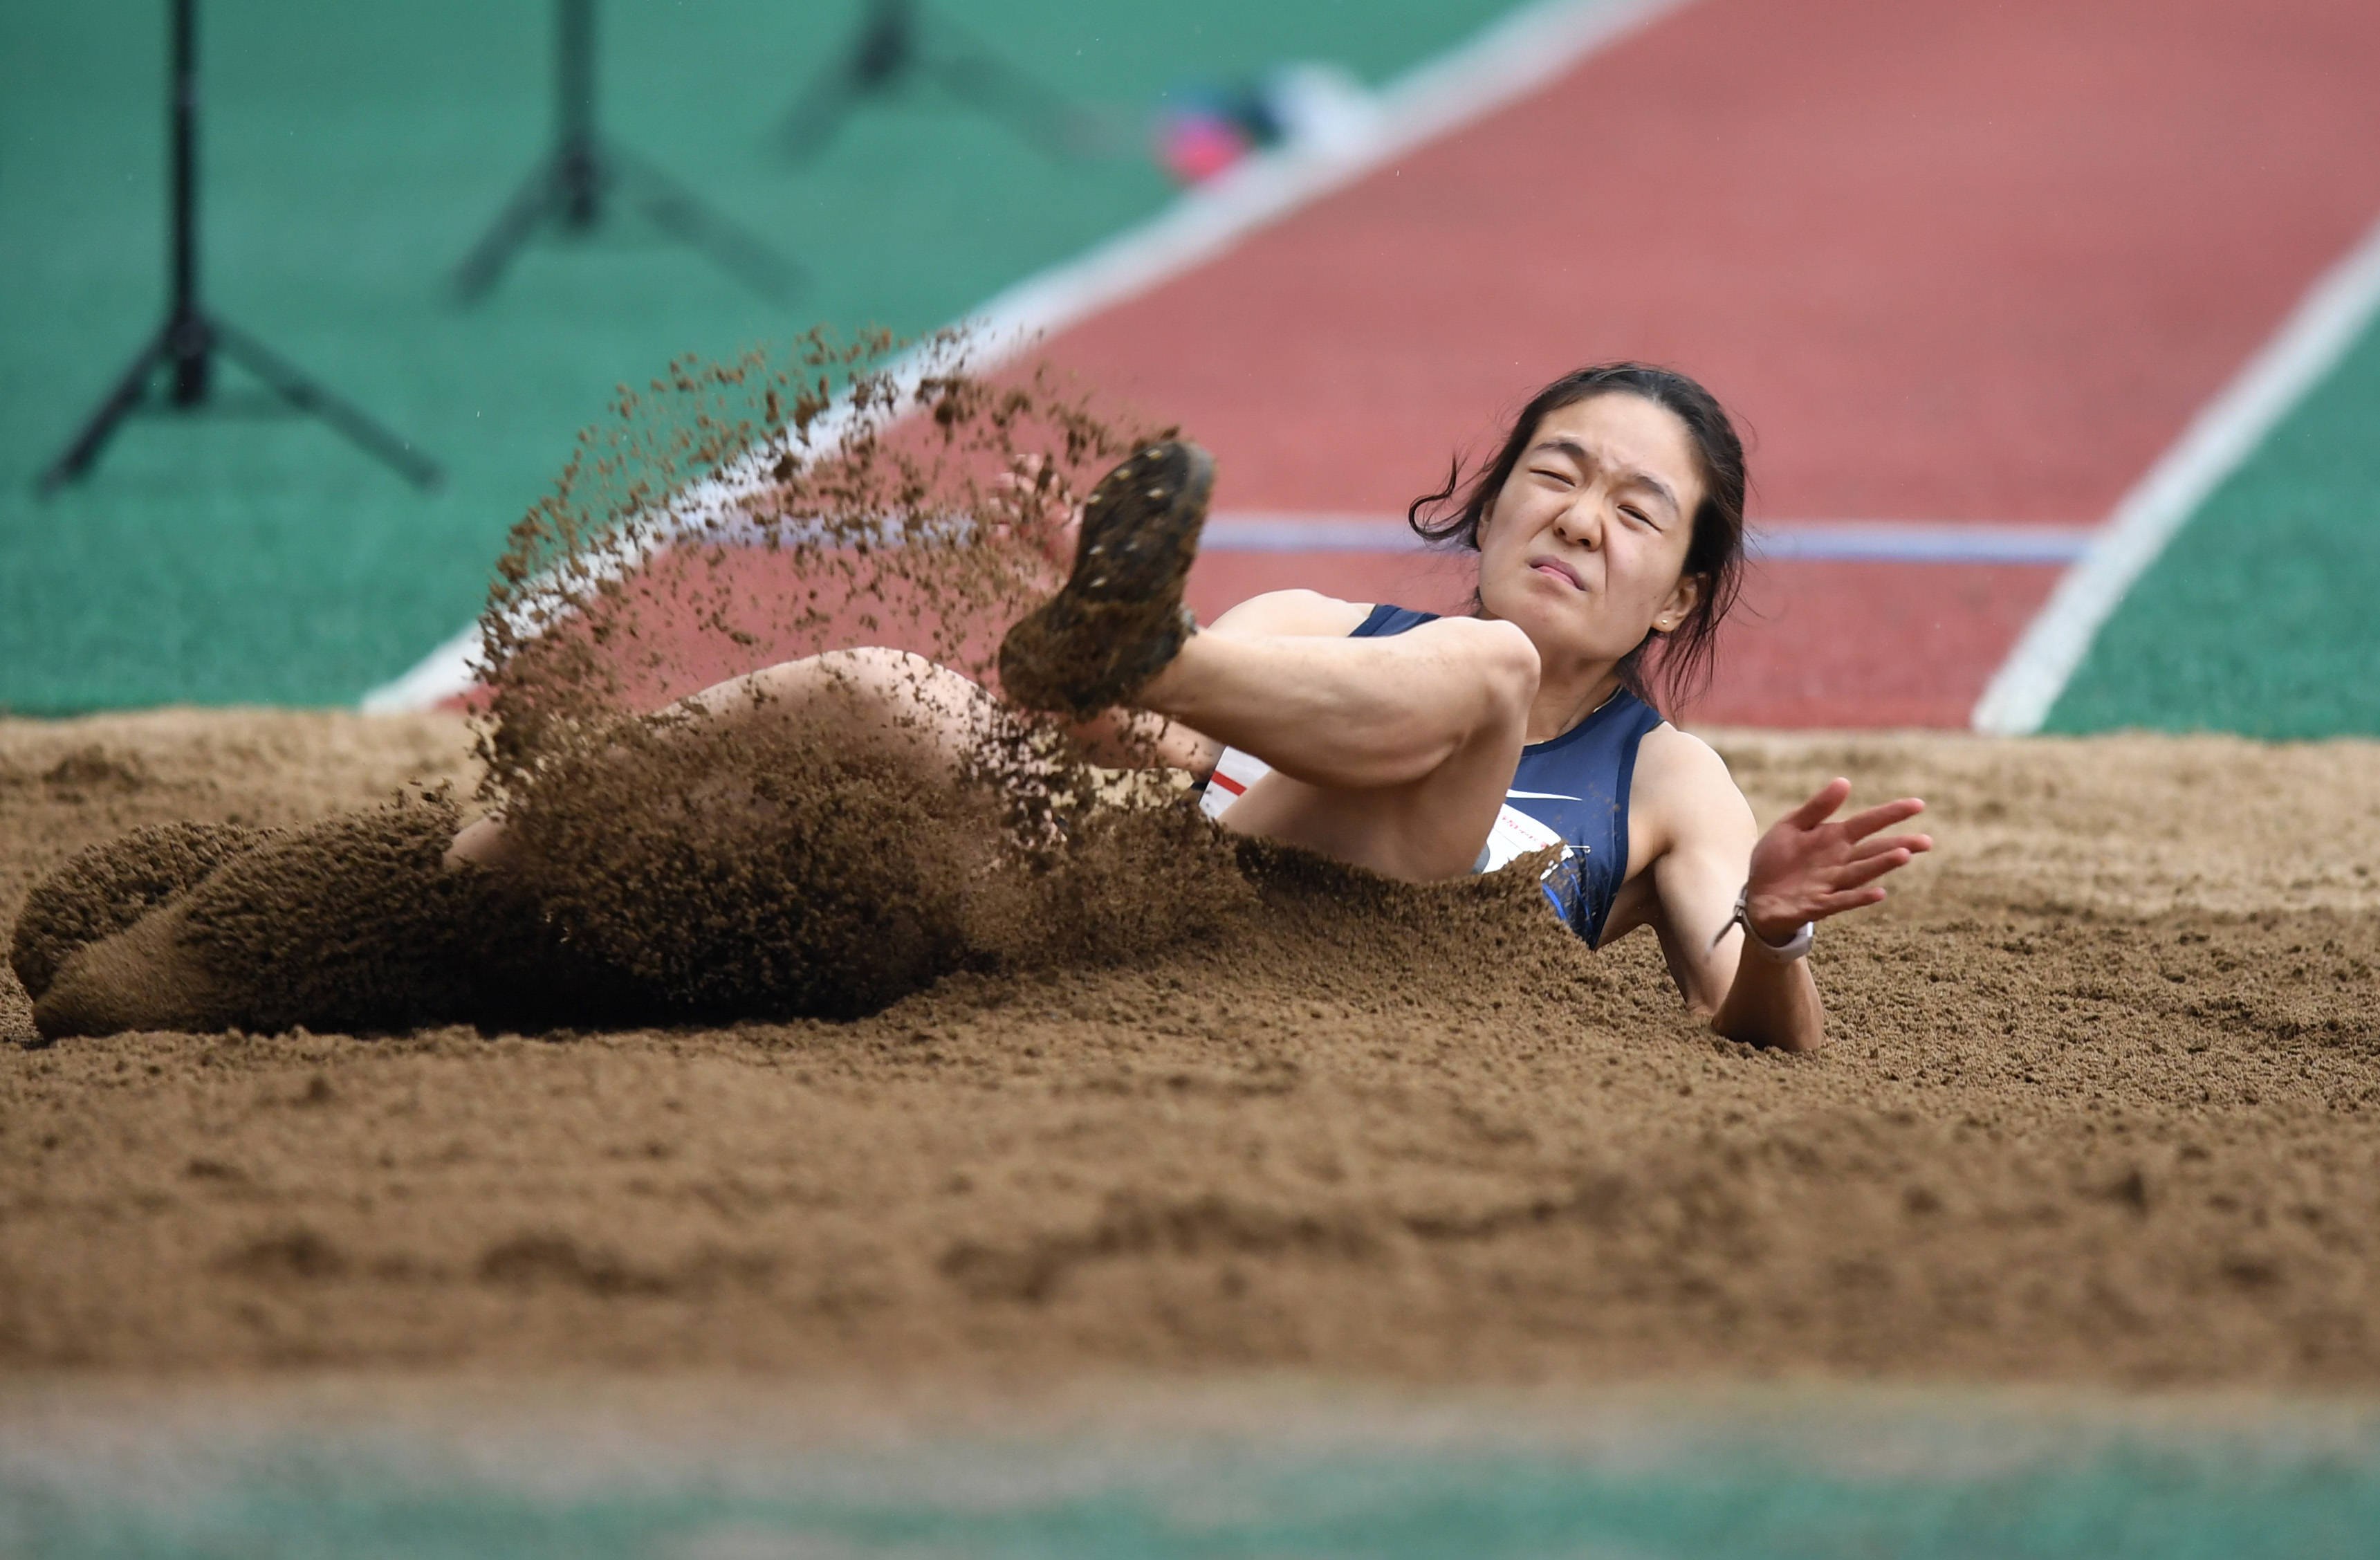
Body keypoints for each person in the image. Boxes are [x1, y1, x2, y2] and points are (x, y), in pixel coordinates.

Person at [449, 362, 1930, 1052]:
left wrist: (1779, 925)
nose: (1577, 517)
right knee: (886, 690)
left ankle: (1142, 643)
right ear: (1484, 514)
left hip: (1385, 1005)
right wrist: (1095, 678)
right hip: (1184, 933)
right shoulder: (1305, 631)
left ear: (1675, 593)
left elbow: (1759, 1040)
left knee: (1480, 676)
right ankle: (508, 840)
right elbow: (1111, 759)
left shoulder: (1668, 781)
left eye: (1632, 507)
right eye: (1551, 473)